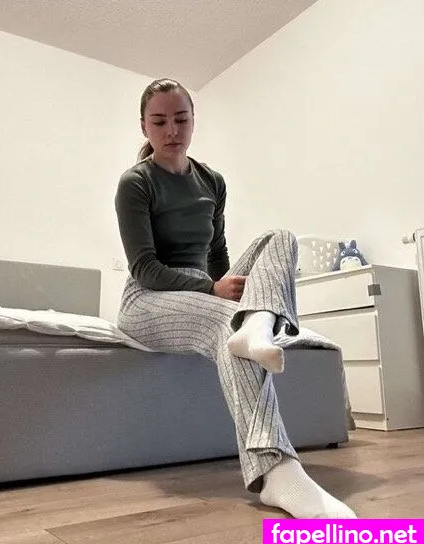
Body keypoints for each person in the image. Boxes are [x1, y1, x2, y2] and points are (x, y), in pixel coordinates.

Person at [115, 78, 356, 519]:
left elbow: (218, 255)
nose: (172, 130)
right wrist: (212, 291)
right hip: (149, 298)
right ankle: (277, 473)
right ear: (144, 127)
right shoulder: (136, 183)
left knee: (279, 238)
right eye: (160, 122)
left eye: (181, 119)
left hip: (205, 287)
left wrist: (226, 286)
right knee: (225, 323)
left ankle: (257, 325)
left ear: (194, 121)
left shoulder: (211, 180)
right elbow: (144, 267)